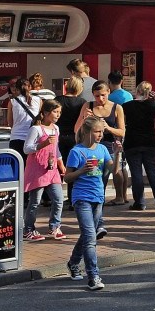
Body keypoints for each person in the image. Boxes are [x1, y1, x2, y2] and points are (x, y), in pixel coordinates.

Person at [64, 117, 113, 291]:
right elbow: (67, 177)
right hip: (81, 198)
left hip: (98, 197)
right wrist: (82, 171)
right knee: (91, 238)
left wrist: (119, 153)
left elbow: (111, 169)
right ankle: (93, 276)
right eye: (97, 132)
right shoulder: (76, 152)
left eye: (102, 132)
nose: (100, 135)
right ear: (87, 132)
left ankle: (73, 262)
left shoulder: (102, 149)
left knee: (88, 234)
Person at [77, 81, 126, 211]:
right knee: (96, 177)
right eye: (97, 96)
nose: (100, 99)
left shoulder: (117, 108)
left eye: (103, 95)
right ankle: (97, 202)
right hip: (93, 148)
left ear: (109, 92)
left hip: (109, 147)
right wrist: (83, 118)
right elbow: (76, 129)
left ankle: (119, 196)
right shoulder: (88, 106)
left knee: (115, 171)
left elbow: (122, 132)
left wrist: (108, 128)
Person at [22, 99, 65, 241]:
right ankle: (28, 229)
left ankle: (54, 226)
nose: (58, 115)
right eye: (55, 112)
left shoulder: (56, 128)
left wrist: (61, 165)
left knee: (58, 199)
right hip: (37, 169)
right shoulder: (36, 129)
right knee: (35, 201)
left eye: (59, 112)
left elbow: (56, 149)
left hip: (52, 169)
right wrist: (43, 144)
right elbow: (26, 149)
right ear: (46, 112)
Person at [123, 82, 155, 210]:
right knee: (152, 171)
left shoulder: (127, 106)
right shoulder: (153, 104)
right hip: (149, 141)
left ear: (137, 90)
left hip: (132, 141)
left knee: (136, 173)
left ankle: (140, 202)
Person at [54, 76, 86, 202]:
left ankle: (53, 197)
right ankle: (73, 198)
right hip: (75, 137)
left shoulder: (58, 100)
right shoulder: (82, 102)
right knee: (73, 167)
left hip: (58, 136)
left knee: (57, 167)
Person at [5, 77, 40, 158]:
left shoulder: (12, 102)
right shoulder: (38, 100)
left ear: (17, 88)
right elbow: (40, 119)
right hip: (33, 137)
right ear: (30, 87)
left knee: (18, 166)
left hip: (16, 138)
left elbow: (10, 123)